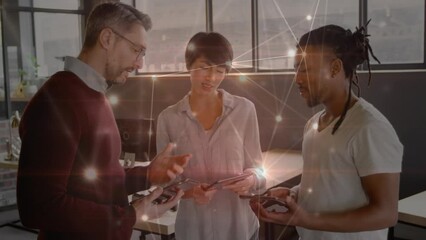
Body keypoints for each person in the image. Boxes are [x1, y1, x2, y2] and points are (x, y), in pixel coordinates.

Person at [17, 3, 191, 240]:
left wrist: (148, 175)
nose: (140, 63)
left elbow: (96, 180)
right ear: (107, 38)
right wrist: (128, 216)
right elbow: (38, 206)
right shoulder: (59, 99)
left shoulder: (93, 94)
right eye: (136, 50)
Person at [252, 23, 403, 240]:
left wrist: (307, 220)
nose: (297, 79)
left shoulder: (370, 128)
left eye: (305, 69)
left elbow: (386, 214)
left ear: (334, 68)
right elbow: (325, 184)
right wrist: (294, 194)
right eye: (296, 69)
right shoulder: (314, 124)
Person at [156, 32, 266, 240]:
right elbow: (164, 186)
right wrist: (190, 193)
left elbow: (259, 170)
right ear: (189, 64)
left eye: (220, 70)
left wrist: (251, 179)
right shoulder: (168, 119)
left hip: (240, 228)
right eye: (205, 67)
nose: (212, 78)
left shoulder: (244, 110)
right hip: (194, 231)